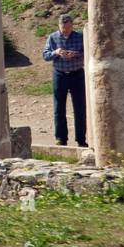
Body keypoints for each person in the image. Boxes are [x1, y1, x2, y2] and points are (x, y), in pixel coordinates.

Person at [42, 13, 87, 148]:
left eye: (67, 28)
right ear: (59, 26)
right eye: (63, 28)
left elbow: (88, 52)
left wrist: (76, 54)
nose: (65, 30)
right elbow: (45, 55)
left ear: (72, 26)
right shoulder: (53, 37)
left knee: (79, 108)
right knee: (59, 107)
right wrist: (56, 52)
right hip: (59, 74)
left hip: (77, 74)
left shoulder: (79, 37)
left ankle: (81, 139)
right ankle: (61, 138)